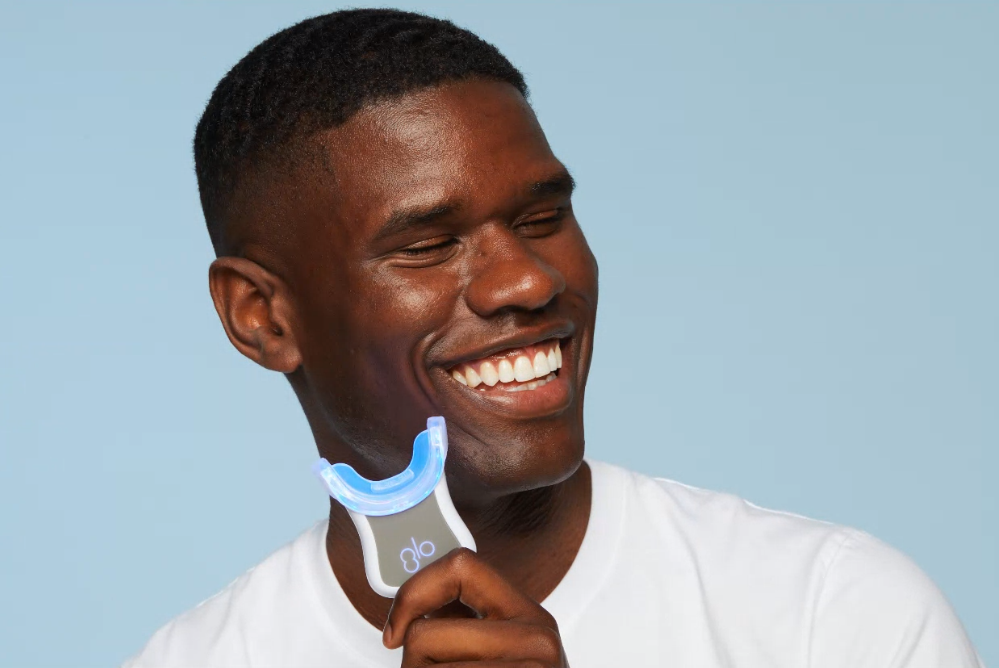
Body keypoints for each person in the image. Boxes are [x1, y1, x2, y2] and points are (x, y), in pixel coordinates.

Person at [124, 9, 983, 668]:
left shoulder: (835, 616)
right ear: (262, 316)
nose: (528, 282)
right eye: (428, 245)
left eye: (542, 219)